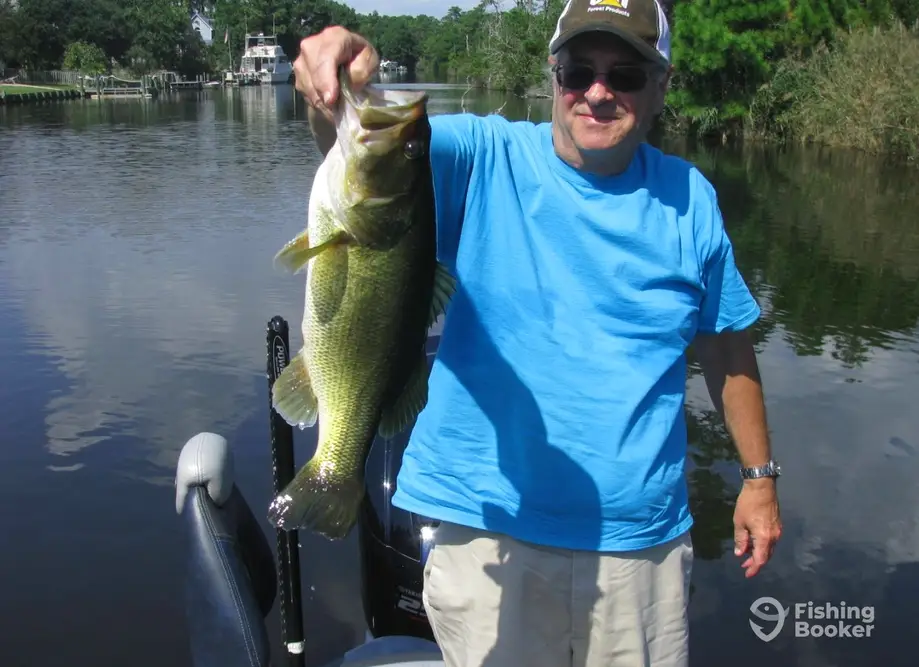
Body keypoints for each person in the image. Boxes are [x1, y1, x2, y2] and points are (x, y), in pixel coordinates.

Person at [293, 0, 783, 665]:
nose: (598, 92)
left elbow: (727, 348)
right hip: (488, 530)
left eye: (626, 74)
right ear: (553, 73)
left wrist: (757, 479)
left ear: (662, 85)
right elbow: (369, 164)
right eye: (579, 70)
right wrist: (342, 75)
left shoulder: (689, 198)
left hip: (639, 543)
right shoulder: (483, 156)